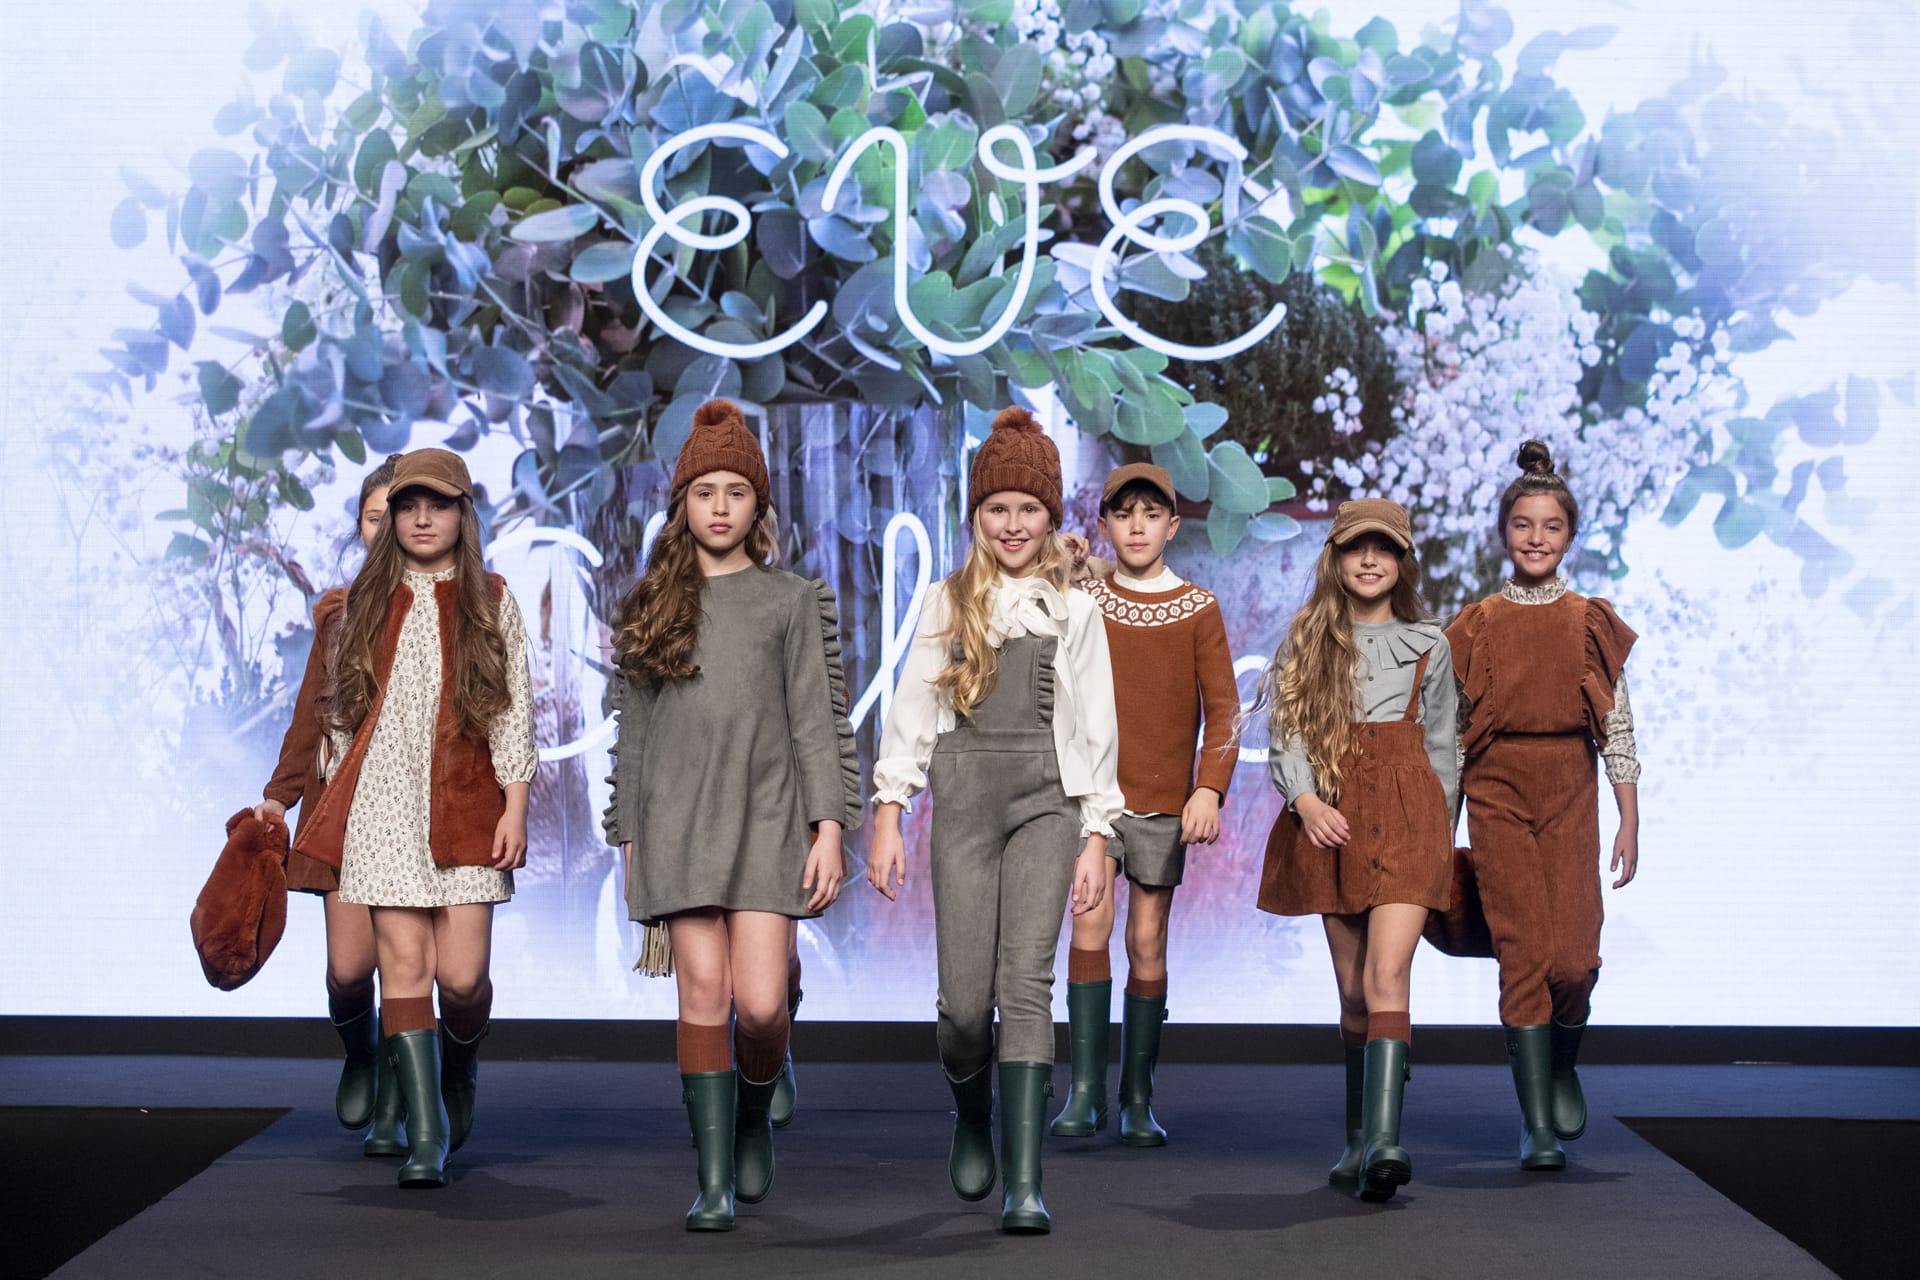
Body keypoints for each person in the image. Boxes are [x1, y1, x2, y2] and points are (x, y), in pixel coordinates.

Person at [604, 399, 859, 1232]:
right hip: (676, 823)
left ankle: (753, 1114)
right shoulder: (652, 602)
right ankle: (712, 1180)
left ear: (759, 506)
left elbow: (817, 720)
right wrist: (629, 837)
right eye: (704, 491)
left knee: (761, 1005)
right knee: (703, 995)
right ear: (682, 503)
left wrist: (828, 827)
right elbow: (634, 735)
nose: (719, 506)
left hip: (768, 821)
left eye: (736, 492)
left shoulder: (791, 600)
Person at [867, 405, 1123, 1234]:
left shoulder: (1075, 612)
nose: (1013, 524)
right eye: (997, 507)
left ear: (1051, 516)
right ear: (976, 514)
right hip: (966, 803)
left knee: (1026, 984)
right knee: (964, 1007)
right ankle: (972, 1111)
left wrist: (1097, 835)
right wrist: (889, 810)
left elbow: (1096, 727)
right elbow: (912, 709)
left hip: (1050, 804)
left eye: (1029, 508)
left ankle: (1025, 1183)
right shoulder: (949, 603)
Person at [293, 448, 536, 1189]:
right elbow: (337, 718)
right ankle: (425, 1137)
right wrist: (326, 809)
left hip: (467, 802)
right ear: (392, 517)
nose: (422, 518)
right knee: (402, 968)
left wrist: (516, 804)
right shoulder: (361, 604)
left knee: (461, 980)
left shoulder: (492, 599)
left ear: (464, 514)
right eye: (408, 506)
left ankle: (460, 1066)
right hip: (382, 805)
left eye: (439, 504)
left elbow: (512, 709)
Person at [1252, 499, 1456, 1202]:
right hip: (1333, 816)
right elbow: (1287, 734)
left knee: (1387, 973)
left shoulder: (1429, 643)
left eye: (1385, 548)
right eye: (1355, 548)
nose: (1370, 560)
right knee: (1352, 994)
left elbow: (1443, 747)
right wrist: (1306, 802)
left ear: (1402, 562)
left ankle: (1385, 1143)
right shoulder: (1307, 641)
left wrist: (1441, 834)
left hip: (1410, 819)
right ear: (1335, 559)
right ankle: (1357, 1137)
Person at [1446, 441, 1640, 1171]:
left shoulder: (1589, 621)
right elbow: (1452, 738)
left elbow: (1617, 723)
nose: (1536, 538)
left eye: (1551, 526)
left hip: (1570, 788)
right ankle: (1536, 1126)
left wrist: (1629, 815)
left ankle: (1561, 1063)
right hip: (1496, 791)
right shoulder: (1477, 624)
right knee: (1523, 952)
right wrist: (1440, 827)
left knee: (1576, 960)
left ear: (1570, 535)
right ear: (1505, 532)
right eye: (1523, 524)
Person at [1051, 464, 1239, 1146]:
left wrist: (1208, 788)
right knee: (1089, 926)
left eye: (1151, 514)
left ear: (1173, 526)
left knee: (1147, 940)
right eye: (1123, 514)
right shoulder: (1085, 596)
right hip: (1093, 799)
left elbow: (1224, 710)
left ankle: (1136, 1097)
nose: (1137, 526)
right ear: (1104, 524)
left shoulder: (1197, 608)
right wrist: (1064, 560)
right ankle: (1084, 1093)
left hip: (1163, 801)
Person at [255, 458, 400, 1151]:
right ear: (361, 527)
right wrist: (277, 797)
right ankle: (361, 1052)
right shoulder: (338, 618)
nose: (389, 526)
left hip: (412, 814)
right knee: (348, 973)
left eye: (399, 512)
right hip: (340, 809)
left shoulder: (454, 609)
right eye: (374, 515)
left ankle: (401, 1104)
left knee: (408, 969)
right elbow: (308, 717)